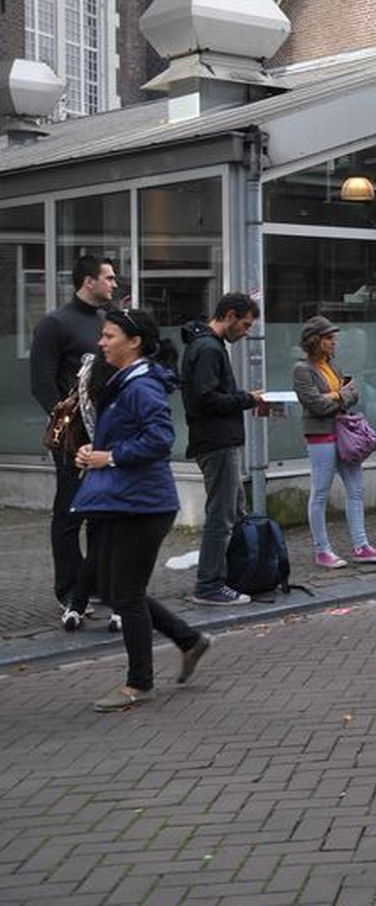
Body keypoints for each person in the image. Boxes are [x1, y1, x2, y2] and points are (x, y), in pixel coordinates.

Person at [72, 308, 211, 712]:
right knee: (113, 588)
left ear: (134, 342)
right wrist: (94, 452)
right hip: (124, 501)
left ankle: (139, 684)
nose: (101, 342)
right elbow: (122, 437)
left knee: (126, 595)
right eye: (102, 335)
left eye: (109, 336)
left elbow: (160, 440)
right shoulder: (125, 382)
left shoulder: (141, 386)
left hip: (143, 505)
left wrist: (110, 457)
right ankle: (189, 640)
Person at [30, 252, 117, 631]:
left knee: (101, 514)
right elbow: (41, 382)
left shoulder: (105, 321)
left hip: (103, 434)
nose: (114, 283)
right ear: (88, 281)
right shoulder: (55, 324)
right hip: (72, 440)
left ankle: (94, 583)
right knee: (69, 513)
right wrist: (66, 430)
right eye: (109, 277)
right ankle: (67, 589)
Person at [179, 293, 266, 607]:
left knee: (232, 511)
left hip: (217, 441)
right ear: (229, 315)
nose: (246, 332)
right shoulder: (208, 348)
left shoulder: (206, 345)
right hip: (216, 442)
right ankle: (210, 585)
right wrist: (248, 399)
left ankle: (232, 576)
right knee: (222, 515)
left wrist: (244, 398)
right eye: (245, 325)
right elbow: (206, 399)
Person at [293, 316, 376, 569]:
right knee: (320, 492)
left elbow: (354, 393)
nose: (334, 342)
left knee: (356, 489)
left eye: (333, 338)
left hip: (344, 433)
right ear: (315, 341)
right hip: (320, 435)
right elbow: (316, 405)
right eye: (328, 338)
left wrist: (334, 396)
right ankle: (322, 550)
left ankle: (361, 545)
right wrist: (340, 395)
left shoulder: (332, 366)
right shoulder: (302, 369)